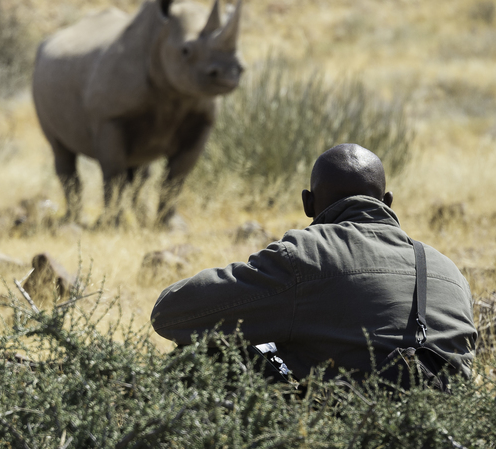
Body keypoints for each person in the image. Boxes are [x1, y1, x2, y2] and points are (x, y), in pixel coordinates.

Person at [151, 143, 477, 381]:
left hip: (353, 429)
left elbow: (171, 313)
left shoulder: (306, 255)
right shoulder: (448, 269)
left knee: (205, 353)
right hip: (449, 430)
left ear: (308, 203)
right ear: (388, 202)